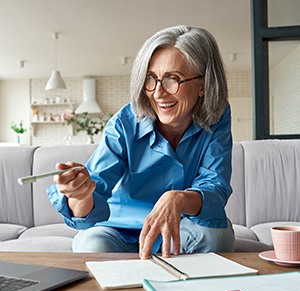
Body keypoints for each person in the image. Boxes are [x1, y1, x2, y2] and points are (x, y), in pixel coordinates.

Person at [47, 25, 235, 259]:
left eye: (172, 80)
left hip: (180, 226)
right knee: (92, 246)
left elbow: (215, 185)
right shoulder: (124, 123)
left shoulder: (217, 116)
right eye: (150, 79)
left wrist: (177, 198)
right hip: (116, 228)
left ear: (203, 85)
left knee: (218, 236)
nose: (158, 93)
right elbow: (94, 194)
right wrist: (81, 194)